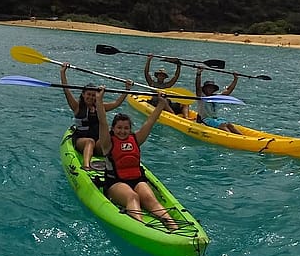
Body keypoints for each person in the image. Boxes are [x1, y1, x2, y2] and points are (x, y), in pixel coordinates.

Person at [96, 88, 178, 231]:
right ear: (113, 129)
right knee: (133, 197)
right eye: (119, 128)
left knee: (150, 200)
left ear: (130, 129)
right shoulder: (107, 143)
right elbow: (102, 122)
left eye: (126, 128)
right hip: (115, 183)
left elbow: (150, 122)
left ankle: (174, 227)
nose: (123, 131)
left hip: (137, 179)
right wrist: (99, 100)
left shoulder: (136, 138)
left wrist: (161, 104)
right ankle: (140, 228)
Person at [60, 63, 131, 170]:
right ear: (83, 94)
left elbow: (116, 103)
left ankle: (121, 164)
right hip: (81, 140)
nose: (91, 97)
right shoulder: (77, 107)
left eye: (93, 95)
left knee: (111, 140)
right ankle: (86, 166)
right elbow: (66, 90)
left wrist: (127, 89)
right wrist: (62, 72)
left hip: (98, 141)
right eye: (88, 94)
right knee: (90, 142)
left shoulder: (100, 107)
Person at [195, 67, 242, 134]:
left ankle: (243, 137)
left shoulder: (215, 97)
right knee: (222, 126)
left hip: (216, 119)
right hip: (205, 119)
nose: (210, 89)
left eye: (212, 88)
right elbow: (197, 86)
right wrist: (198, 74)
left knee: (230, 125)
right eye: (208, 88)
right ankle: (234, 138)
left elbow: (228, 91)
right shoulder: (201, 96)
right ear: (204, 88)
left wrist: (236, 79)